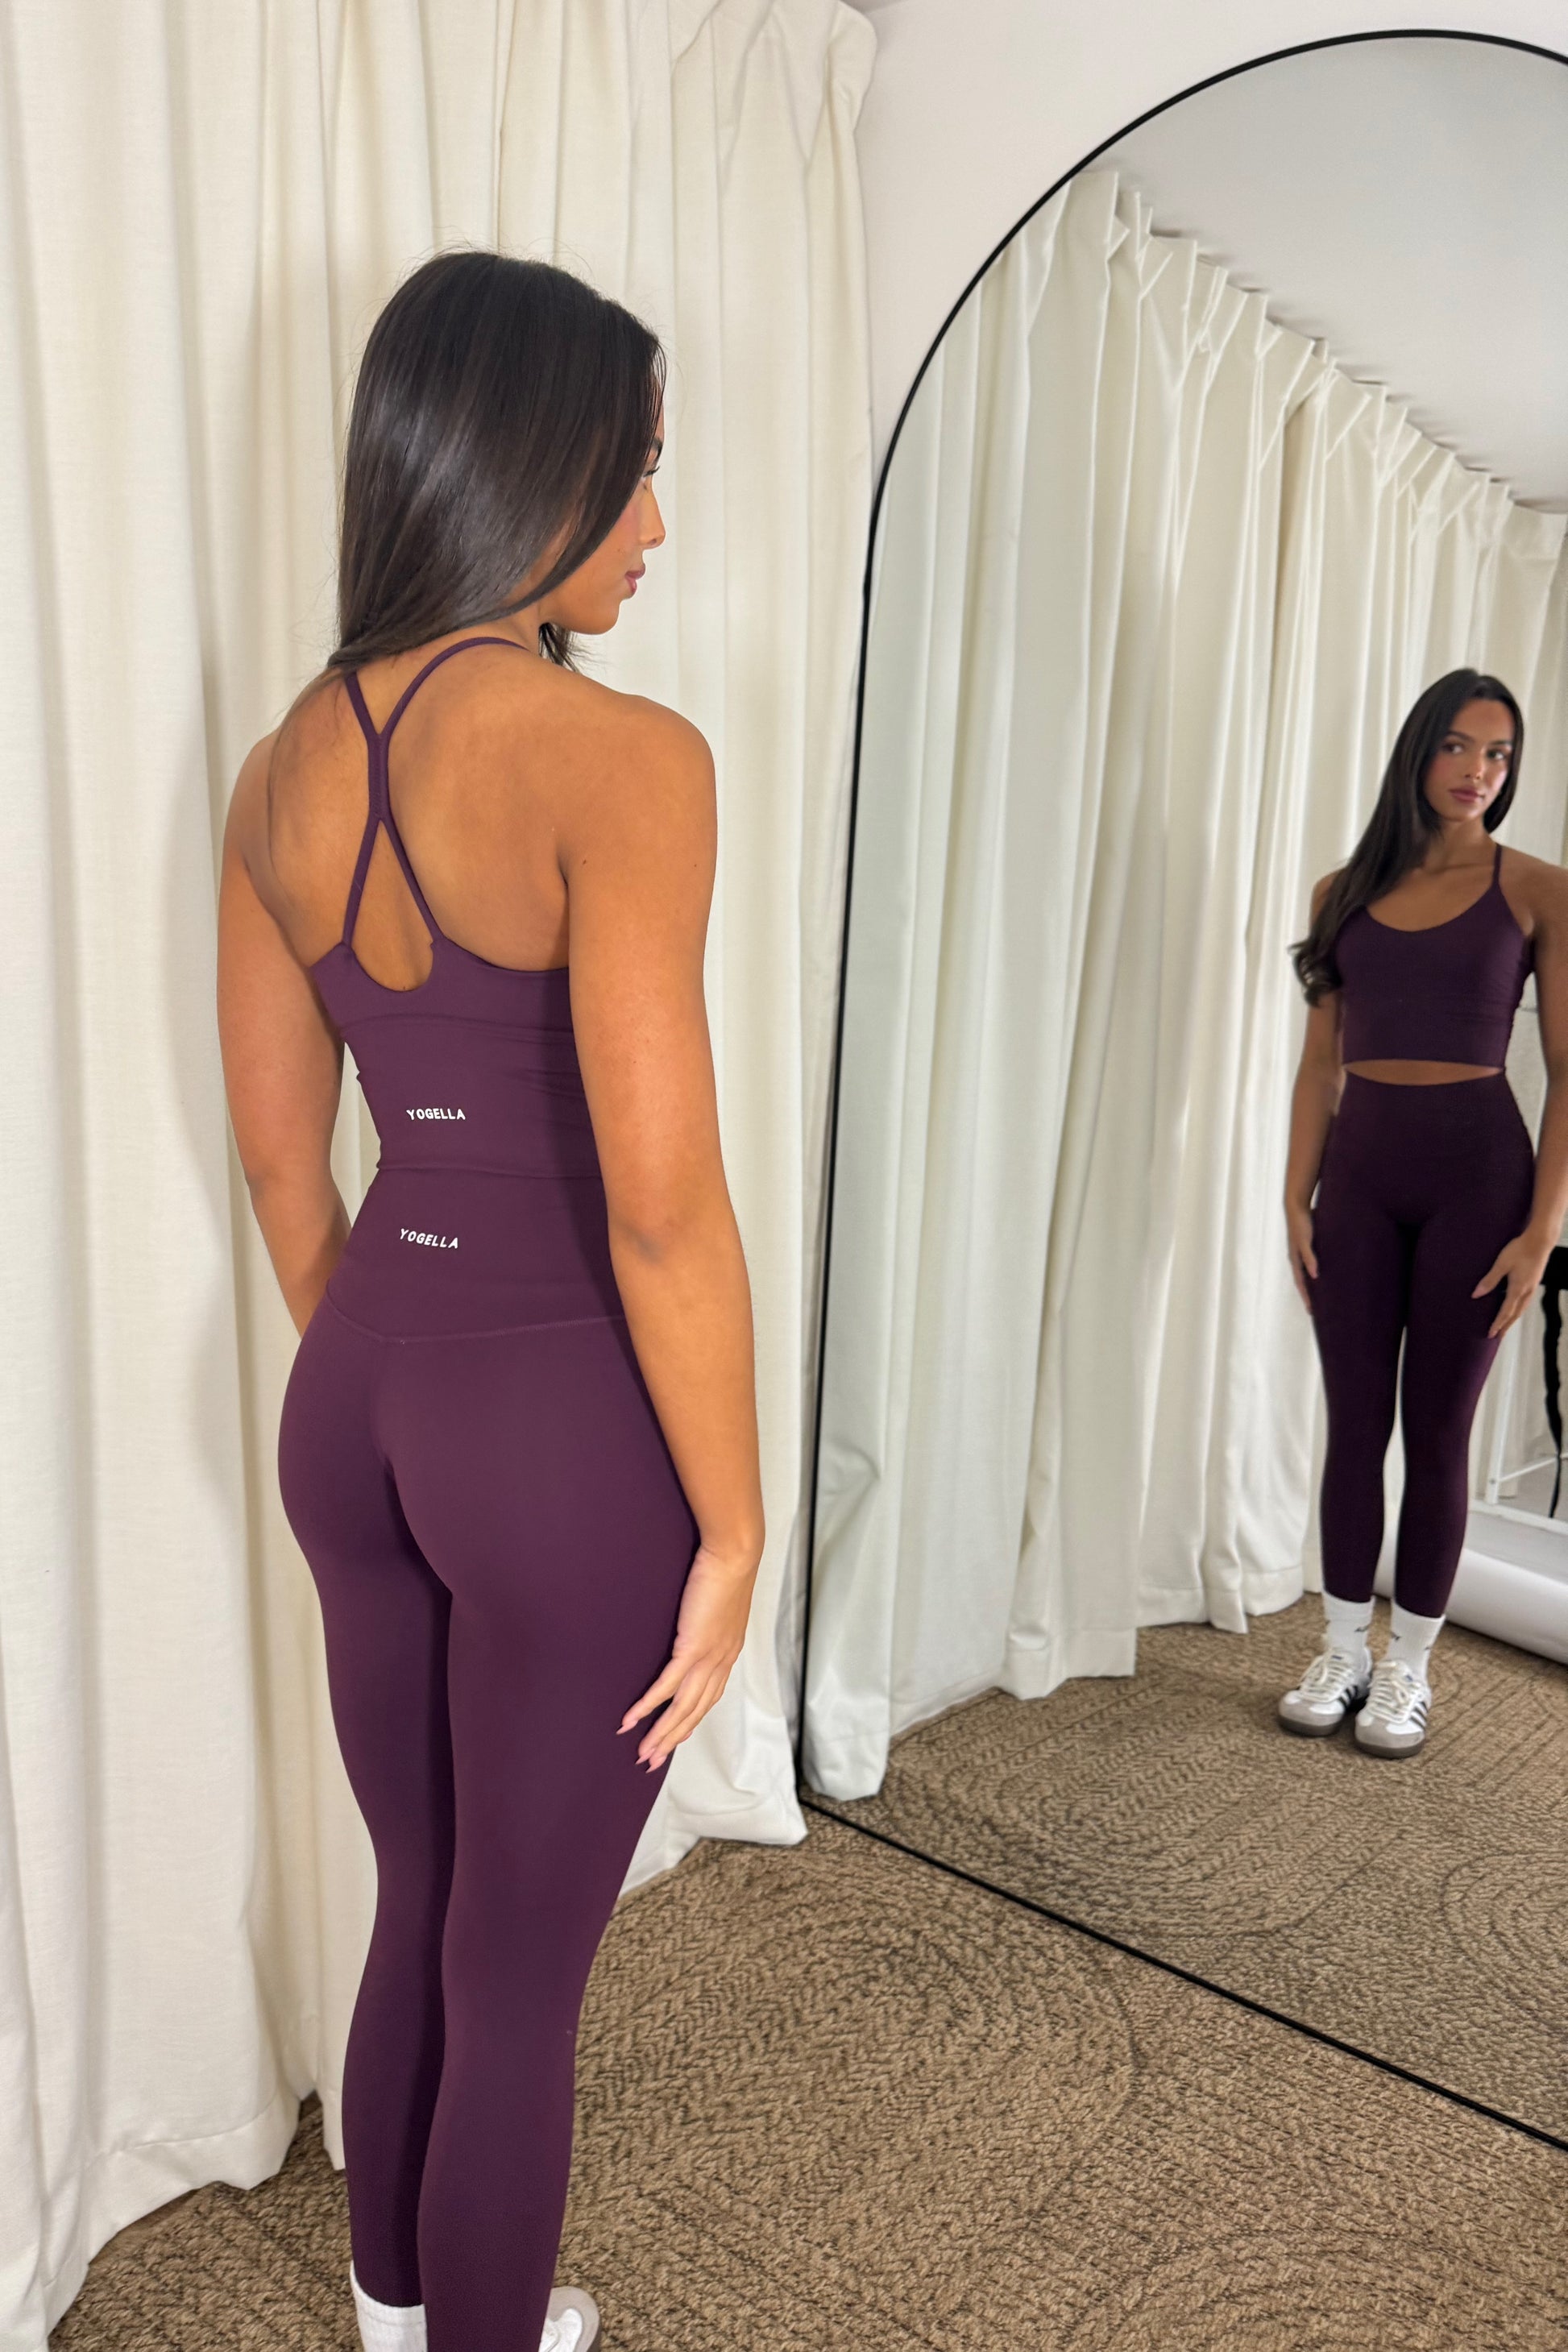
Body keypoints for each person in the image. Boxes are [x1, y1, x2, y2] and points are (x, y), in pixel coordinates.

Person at [216, 254, 763, 2352]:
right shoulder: (621, 758)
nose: (656, 523)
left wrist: (399, 1376)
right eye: (635, 468)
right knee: (519, 1975)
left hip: (355, 1405)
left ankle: (399, 2317)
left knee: (427, 1899)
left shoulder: (282, 764)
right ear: (531, 462)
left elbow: (289, 1168)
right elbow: (662, 1208)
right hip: (555, 1440)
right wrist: (733, 1525)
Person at [1280, 669, 1568, 1757]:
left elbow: (1567, 1071)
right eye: (1457, 746)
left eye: (1498, 755)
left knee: (1438, 1432)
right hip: (1357, 1180)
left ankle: (1408, 1667)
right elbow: (1320, 1065)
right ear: (1418, 751)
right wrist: (1293, 1196)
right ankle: (1341, 1648)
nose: (1477, 772)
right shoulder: (1341, 891)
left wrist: (1541, 1231)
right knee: (1353, 1423)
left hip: (1478, 1180)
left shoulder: (1539, 889)